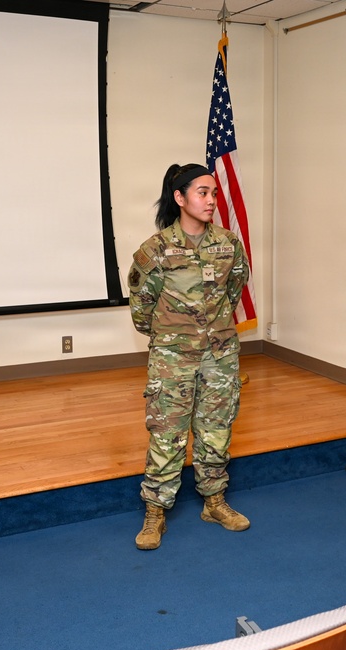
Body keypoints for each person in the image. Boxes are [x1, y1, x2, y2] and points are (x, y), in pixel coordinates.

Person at [127, 163, 251, 550]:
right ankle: (155, 512)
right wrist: (174, 336)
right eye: (202, 192)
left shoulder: (228, 244)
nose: (211, 200)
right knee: (167, 433)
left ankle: (214, 502)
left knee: (217, 429)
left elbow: (234, 291)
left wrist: (211, 330)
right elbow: (142, 308)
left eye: (213, 193)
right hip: (173, 356)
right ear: (179, 198)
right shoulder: (156, 249)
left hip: (220, 354)